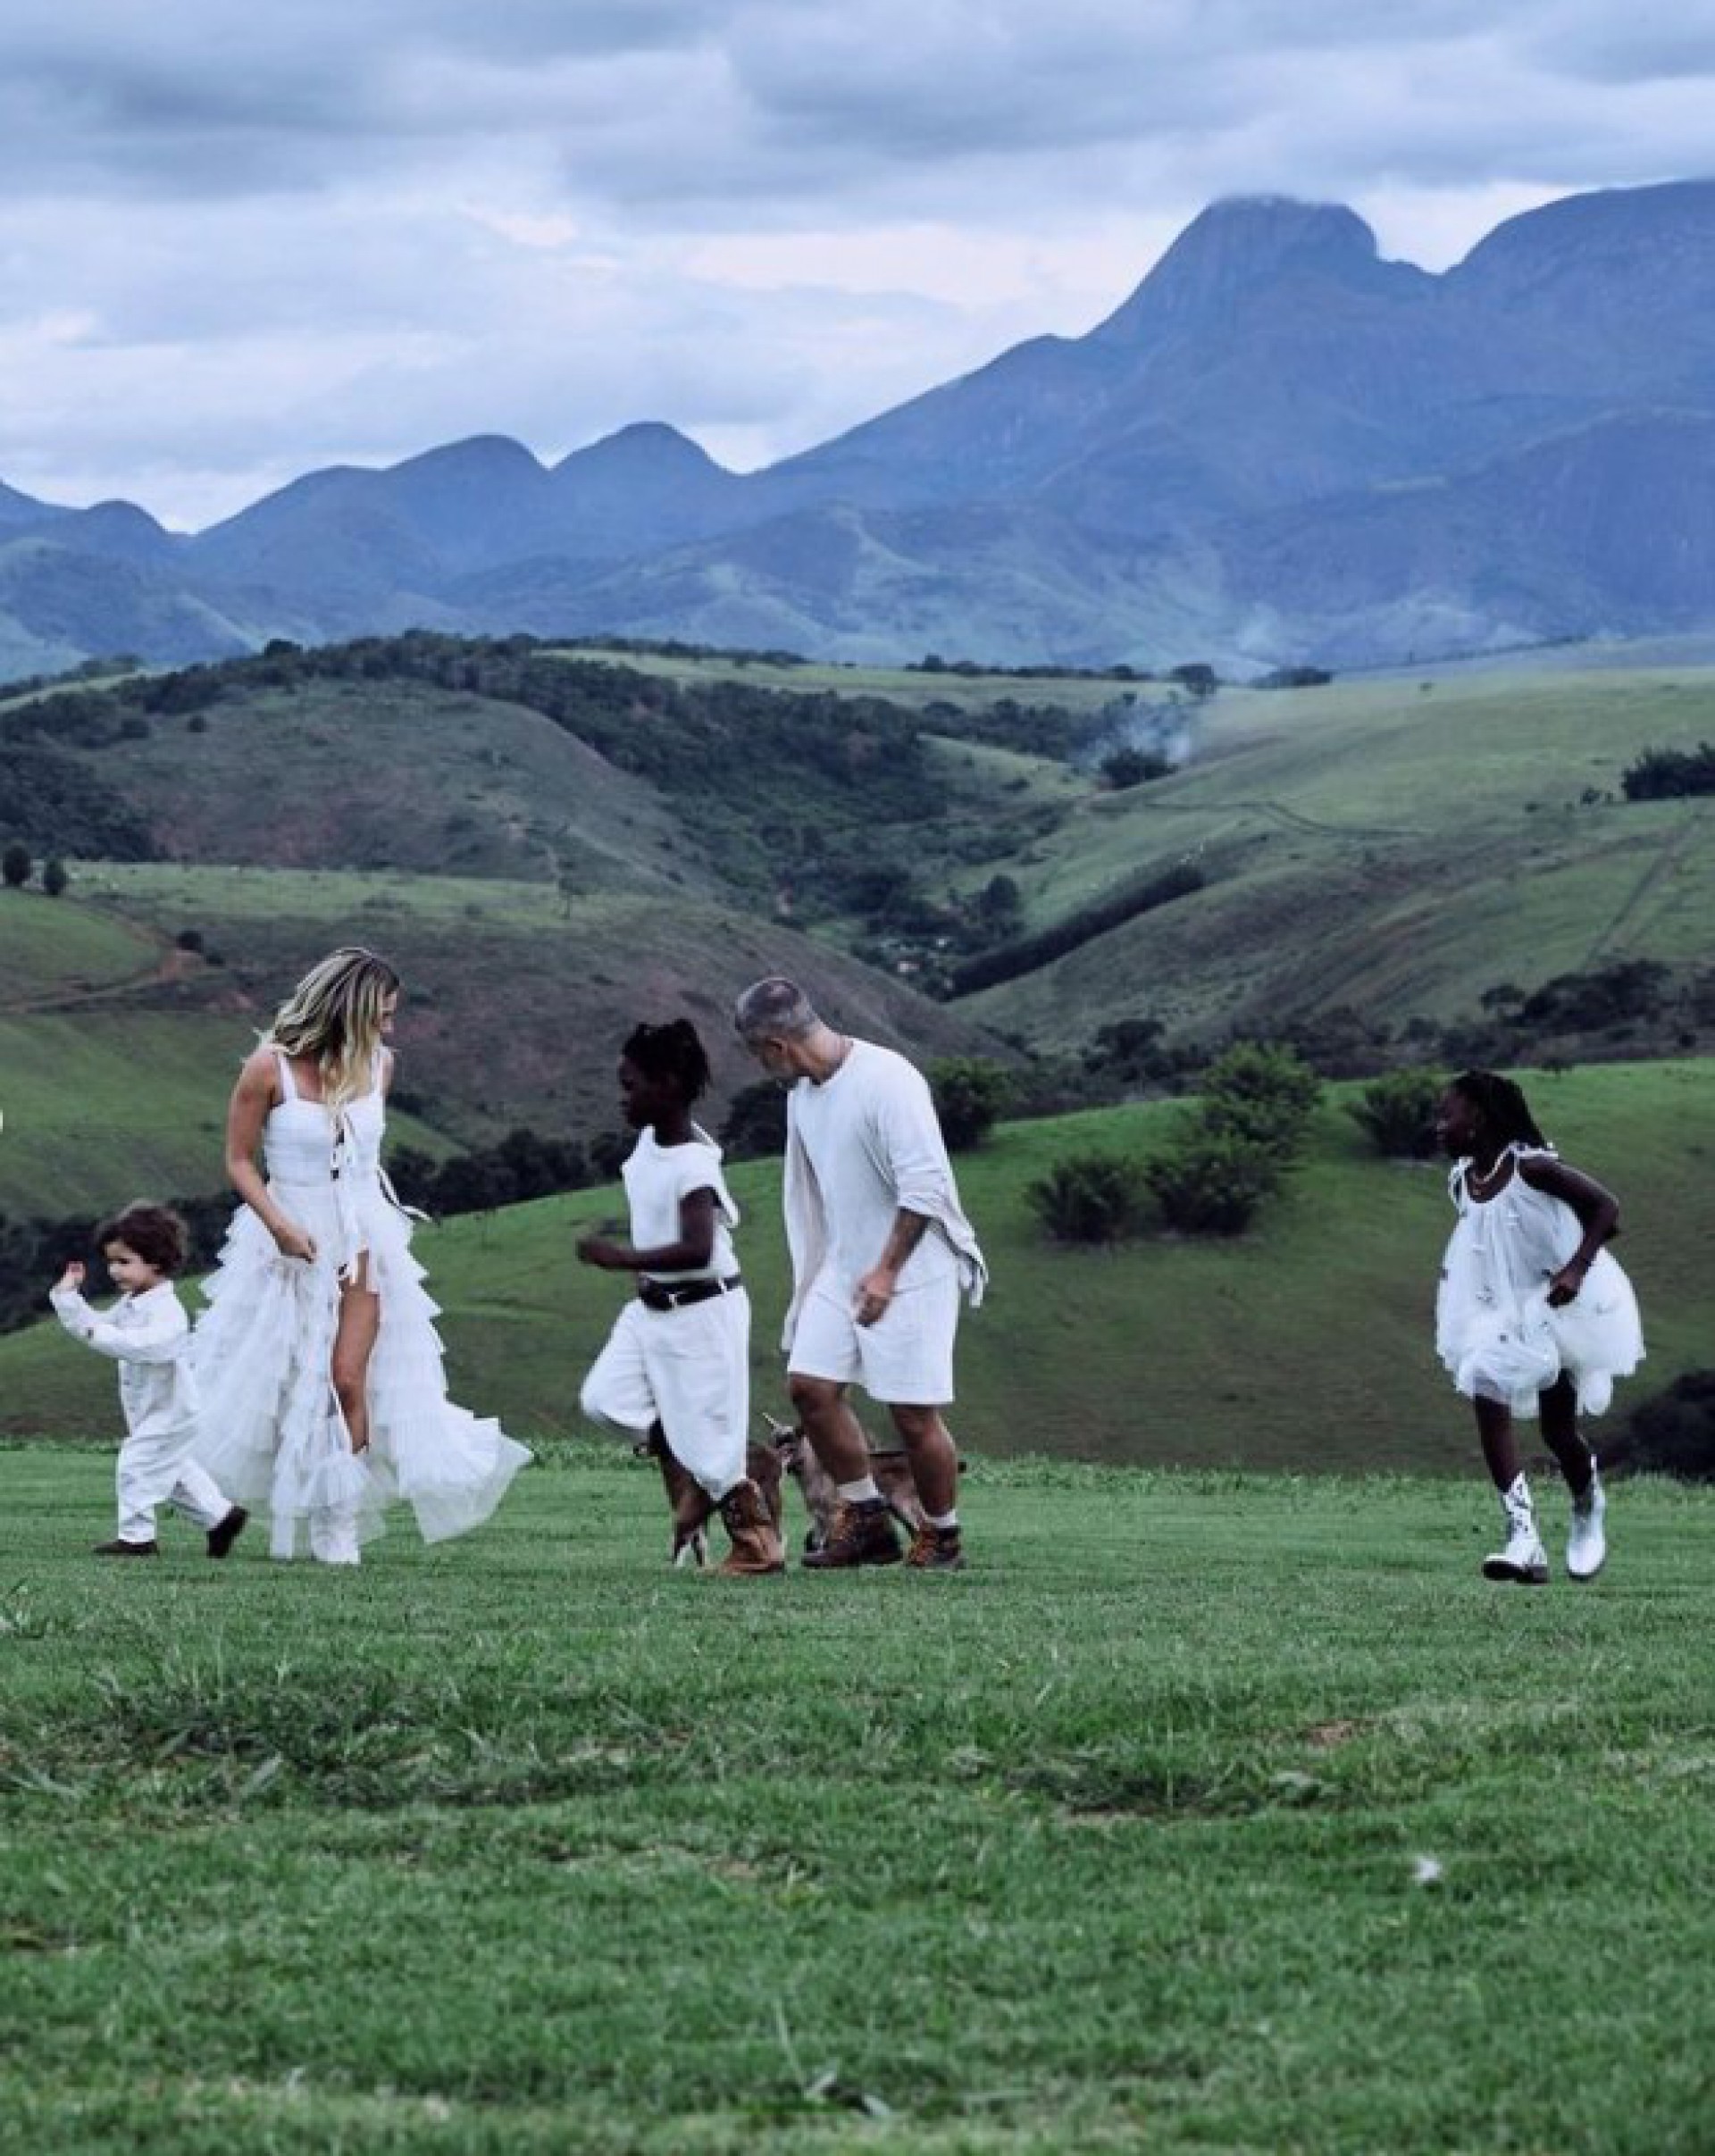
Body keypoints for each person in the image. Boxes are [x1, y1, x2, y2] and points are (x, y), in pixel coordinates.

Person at [192, 947, 531, 1564]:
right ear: (347, 1009)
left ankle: (338, 1525)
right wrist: (279, 1226)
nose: (390, 1028)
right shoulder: (270, 1068)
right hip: (285, 1235)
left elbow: (366, 1164)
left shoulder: (380, 1066)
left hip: (363, 1238)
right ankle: (299, 1505)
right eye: (383, 1015)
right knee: (296, 1383)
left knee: (347, 1377)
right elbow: (239, 1160)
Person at [733, 977, 986, 1571]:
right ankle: (868, 1521)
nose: (758, 1066)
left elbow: (924, 1187)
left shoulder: (888, 1081)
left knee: (912, 1413)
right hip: (843, 1264)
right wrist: (840, 1266)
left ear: (775, 1045)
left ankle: (942, 1537)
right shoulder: (804, 1094)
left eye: (755, 1054)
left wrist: (886, 1272)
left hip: (912, 1266)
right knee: (810, 1387)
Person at [577, 1019, 783, 1575]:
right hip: (652, 1309)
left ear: (667, 1085)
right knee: (602, 1400)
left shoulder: (694, 1163)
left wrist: (619, 1258)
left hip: (704, 1309)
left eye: (633, 1086)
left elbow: (697, 1247)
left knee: (712, 1448)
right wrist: (638, 1275)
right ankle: (716, 1461)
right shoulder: (649, 1143)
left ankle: (757, 1547)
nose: (624, 1098)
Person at [1434, 1069, 1643, 1584]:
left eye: (1448, 1114)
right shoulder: (1463, 1180)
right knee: (1484, 1379)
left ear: (1478, 1117)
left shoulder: (1533, 1167)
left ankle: (1586, 1501)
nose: (1439, 1126)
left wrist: (1574, 1270)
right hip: (1501, 1315)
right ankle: (1522, 1536)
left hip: (1563, 1308)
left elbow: (1606, 1209)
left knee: (1557, 1431)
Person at [50, 1202, 247, 1560]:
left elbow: (145, 1345)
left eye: (124, 1262)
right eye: (111, 1262)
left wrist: (99, 1333)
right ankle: (221, 1518)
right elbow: (99, 1325)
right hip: (150, 1409)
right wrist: (68, 1299)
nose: (114, 1271)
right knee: (173, 1474)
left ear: (155, 1261)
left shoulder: (167, 1312)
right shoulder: (131, 1303)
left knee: (136, 1462)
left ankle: (137, 1538)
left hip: (172, 1411)